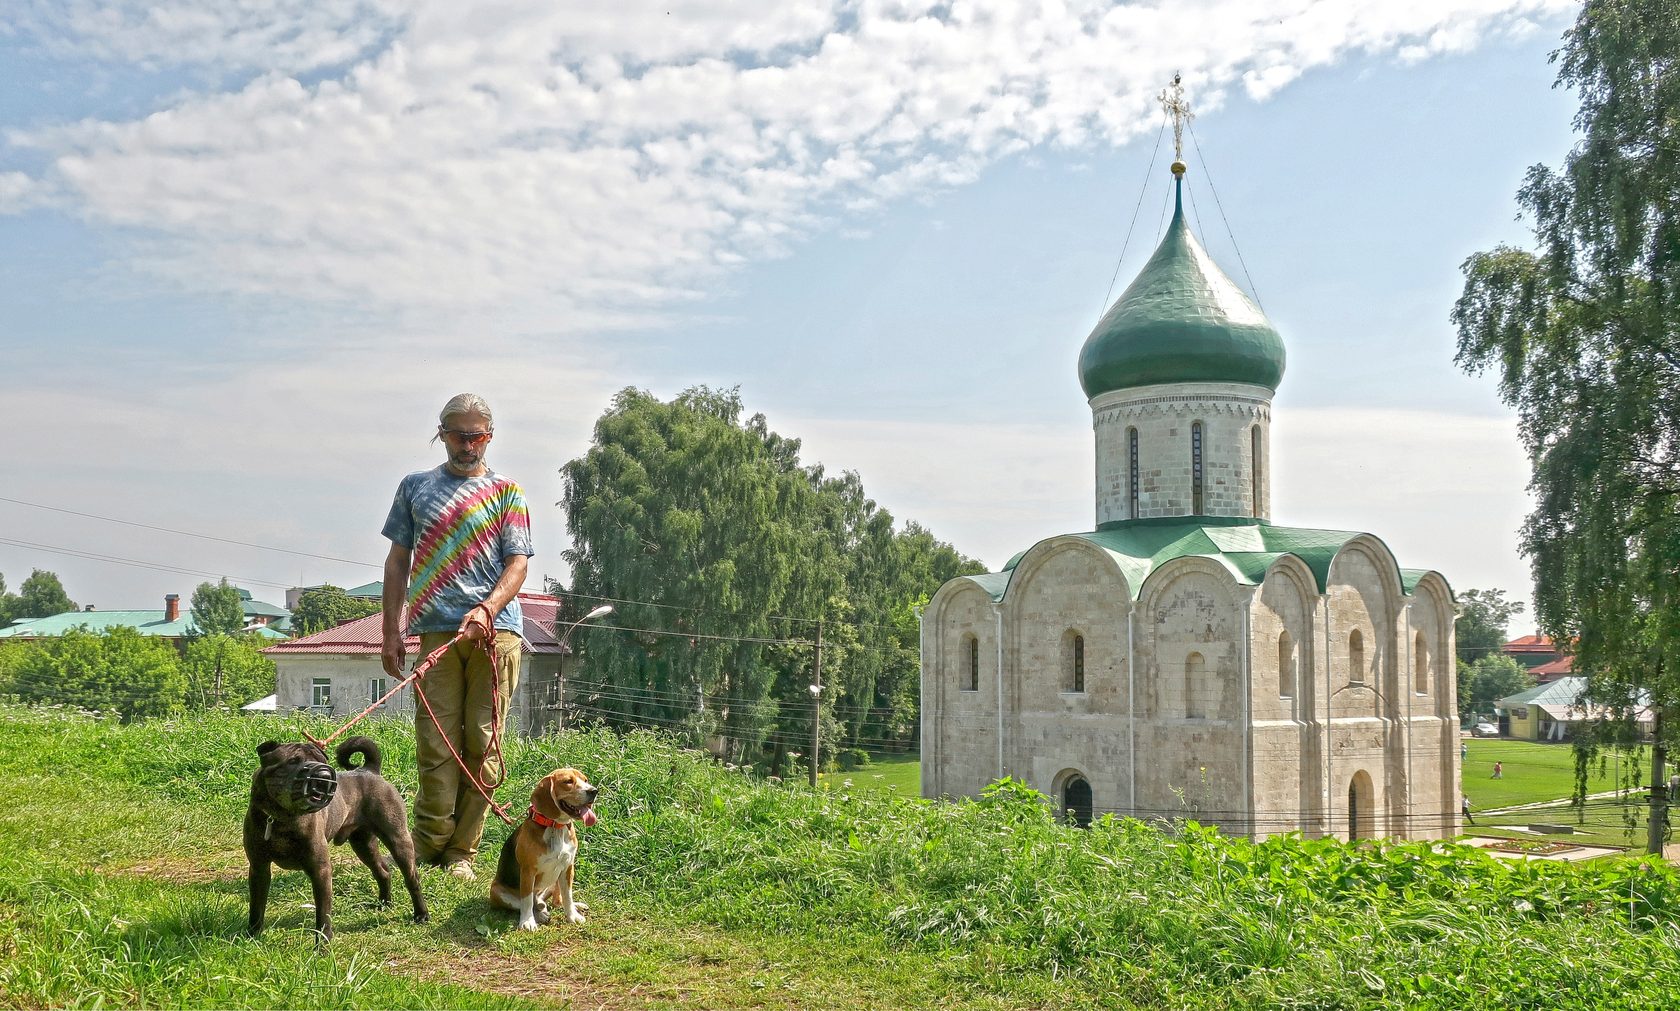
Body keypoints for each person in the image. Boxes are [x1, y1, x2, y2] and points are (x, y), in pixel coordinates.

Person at [381, 393, 533, 880]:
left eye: (478, 435)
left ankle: (462, 851)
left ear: (490, 435)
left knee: (483, 745)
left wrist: (488, 609)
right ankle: (428, 844)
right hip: (435, 633)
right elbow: (397, 562)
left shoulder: (508, 492)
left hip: (495, 634)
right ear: (441, 433)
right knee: (436, 742)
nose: (468, 445)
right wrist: (390, 630)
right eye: (458, 434)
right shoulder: (415, 488)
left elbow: (518, 564)